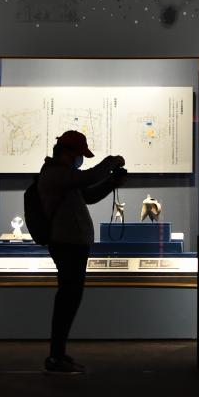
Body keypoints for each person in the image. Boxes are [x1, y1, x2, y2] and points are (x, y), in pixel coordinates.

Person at [37, 130, 127, 373]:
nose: (81, 160)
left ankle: (58, 354)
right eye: (80, 155)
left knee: (69, 299)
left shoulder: (66, 176)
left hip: (73, 244)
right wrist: (112, 161)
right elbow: (89, 178)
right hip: (67, 245)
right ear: (68, 153)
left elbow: (88, 195)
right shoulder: (56, 173)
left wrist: (111, 183)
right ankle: (56, 356)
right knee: (67, 299)